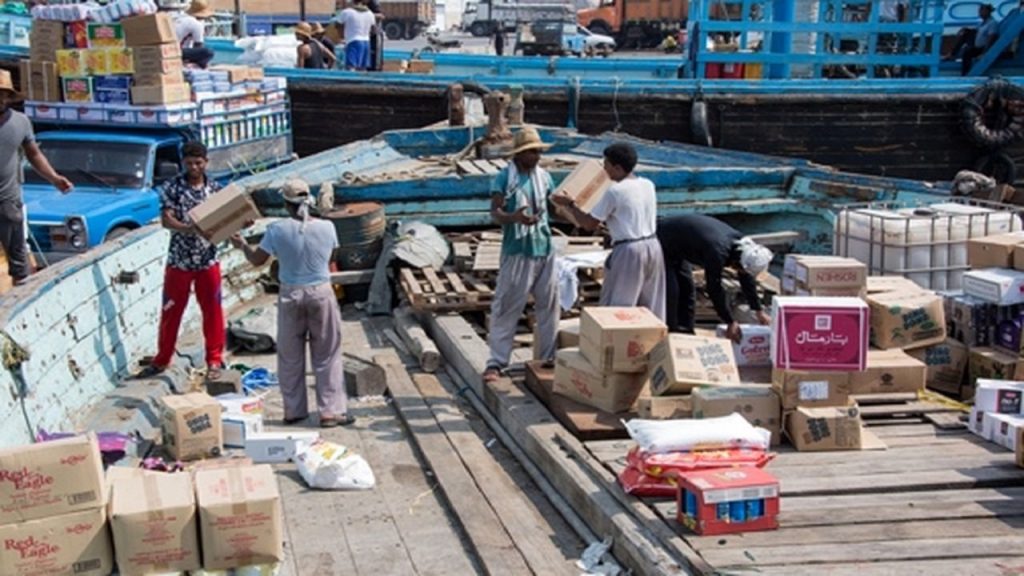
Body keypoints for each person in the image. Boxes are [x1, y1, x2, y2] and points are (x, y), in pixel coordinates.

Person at [230, 180, 353, 428]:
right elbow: (332, 256)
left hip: (290, 294)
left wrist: (242, 245)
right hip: (321, 292)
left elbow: (257, 260)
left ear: (286, 204)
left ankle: (294, 411)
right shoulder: (327, 227)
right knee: (327, 354)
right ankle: (330, 412)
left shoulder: (276, 229)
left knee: (290, 357)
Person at [137, 142, 225, 380]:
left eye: (198, 163)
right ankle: (162, 359)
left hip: (208, 260)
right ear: (183, 163)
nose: (194, 168)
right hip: (179, 261)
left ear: (206, 162)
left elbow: (224, 222)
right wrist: (190, 229)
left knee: (213, 311)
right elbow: (167, 220)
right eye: (189, 163)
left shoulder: (215, 189)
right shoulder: (172, 188)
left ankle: (214, 360)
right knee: (171, 311)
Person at [552, 142, 666, 320]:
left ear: (617, 168)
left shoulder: (615, 191)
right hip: (653, 246)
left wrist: (570, 204)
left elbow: (589, 224)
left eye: (606, 165)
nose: (604, 169)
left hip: (629, 250)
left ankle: (618, 337)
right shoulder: (647, 185)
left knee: (619, 306)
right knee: (650, 304)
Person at [482, 127, 559, 383]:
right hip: (518, 250)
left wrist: (571, 209)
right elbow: (495, 212)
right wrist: (514, 217)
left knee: (549, 306)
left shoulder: (544, 177)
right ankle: (496, 361)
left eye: (538, 152)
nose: (537, 156)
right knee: (507, 306)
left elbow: (552, 209)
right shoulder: (505, 178)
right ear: (519, 154)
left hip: (544, 248)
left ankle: (548, 357)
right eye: (532, 152)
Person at [0, 69, 71, 285]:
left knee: (18, 258)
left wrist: (54, 178)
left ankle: (19, 289)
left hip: (7, 199)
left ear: (8, 97)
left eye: (3, 94)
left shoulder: (20, 122)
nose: (0, 98)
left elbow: (34, 154)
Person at [656, 214, 772, 343]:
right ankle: (670, 337)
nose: (741, 273)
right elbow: (714, 288)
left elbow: (746, 278)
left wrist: (758, 310)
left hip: (681, 244)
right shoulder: (718, 252)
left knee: (688, 290)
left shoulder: (745, 247)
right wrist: (729, 321)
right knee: (672, 292)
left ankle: (687, 335)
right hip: (663, 238)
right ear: (738, 262)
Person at [945, 3, 1000, 75]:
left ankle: (965, 74)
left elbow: (991, 38)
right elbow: (974, 31)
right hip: (976, 43)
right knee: (966, 33)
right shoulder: (982, 23)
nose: (979, 13)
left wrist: (984, 53)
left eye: (982, 10)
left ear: (988, 11)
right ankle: (952, 54)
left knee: (967, 53)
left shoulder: (992, 23)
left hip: (982, 48)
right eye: (979, 11)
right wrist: (965, 29)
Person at [335, 0, 376, 71]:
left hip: (353, 42)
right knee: (363, 69)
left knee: (351, 68)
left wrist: (342, 37)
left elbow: (337, 25)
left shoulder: (346, 12)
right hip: (366, 43)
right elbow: (373, 30)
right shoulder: (370, 13)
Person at [174, 0, 215, 69]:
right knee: (209, 52)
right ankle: (196, 66)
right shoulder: (197, 24)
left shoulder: (181, 18)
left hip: (174, 50)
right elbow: (198, 45)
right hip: (179, 51)